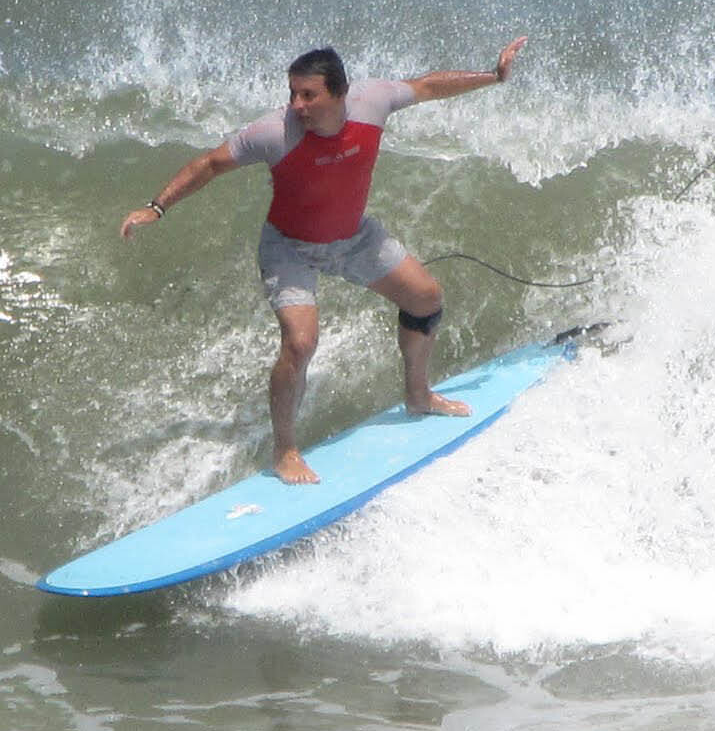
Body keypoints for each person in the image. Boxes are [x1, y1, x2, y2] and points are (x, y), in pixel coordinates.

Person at [120, 37, 527, 485]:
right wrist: (156, 207)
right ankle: (285, 451)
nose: (297, 105)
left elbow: (428, 86)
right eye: (292, 93)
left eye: (308, 94)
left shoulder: (373, 102)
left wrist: (493, 76)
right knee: (300, 343)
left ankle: (419, 395)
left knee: (427, 299)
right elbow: (211, 163)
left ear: (339, 93)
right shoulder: (274, 132)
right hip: (290, 247)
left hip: (353, 237)